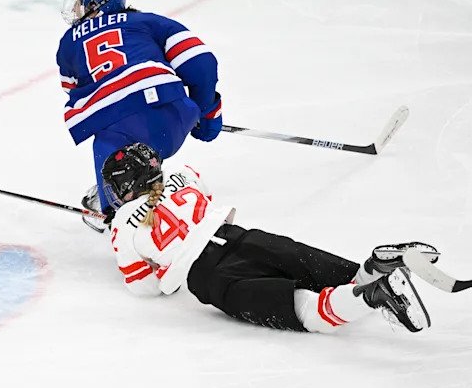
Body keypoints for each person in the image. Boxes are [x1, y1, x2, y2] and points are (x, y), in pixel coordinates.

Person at [102, 142, 439, 334]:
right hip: (245, 239)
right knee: (331, 274)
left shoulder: (122, 225)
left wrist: (163, 269)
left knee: (307, 312)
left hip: (213, 277)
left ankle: (374, 295)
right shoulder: (184, 173)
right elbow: (202, 205)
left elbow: (143, 287)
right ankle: (375, 267)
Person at [56, 0, 223, 232]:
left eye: (80, 2)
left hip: (119, 130)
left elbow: (72, 88)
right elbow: (201, 62)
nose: (75, 9)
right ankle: (148, 179)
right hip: (174, 113)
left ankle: (120, 208)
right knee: (143, 129)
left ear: (96, 5)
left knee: (108, 149)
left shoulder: (68, 42)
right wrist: (206, 112)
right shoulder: (149, 22)